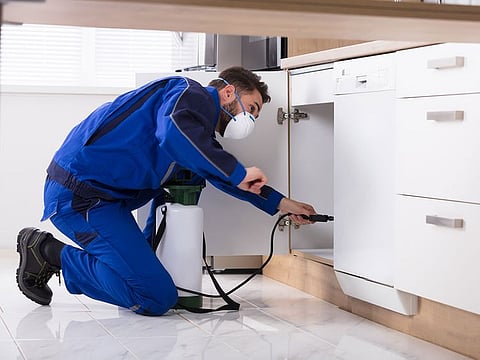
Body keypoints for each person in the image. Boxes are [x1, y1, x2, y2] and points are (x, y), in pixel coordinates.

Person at [16, 66, 316, 316]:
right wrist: (238, 172)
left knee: (189, 177)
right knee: (155, 297)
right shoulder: (190, 93)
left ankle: (142, 259)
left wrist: (283, 204)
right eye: (251, 108)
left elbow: (225, 179)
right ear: (227, 93)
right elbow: (174, 130)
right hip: (78, 197)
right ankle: (49, 253)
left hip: (104, 201)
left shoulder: (194, 136)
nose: (250, 120)